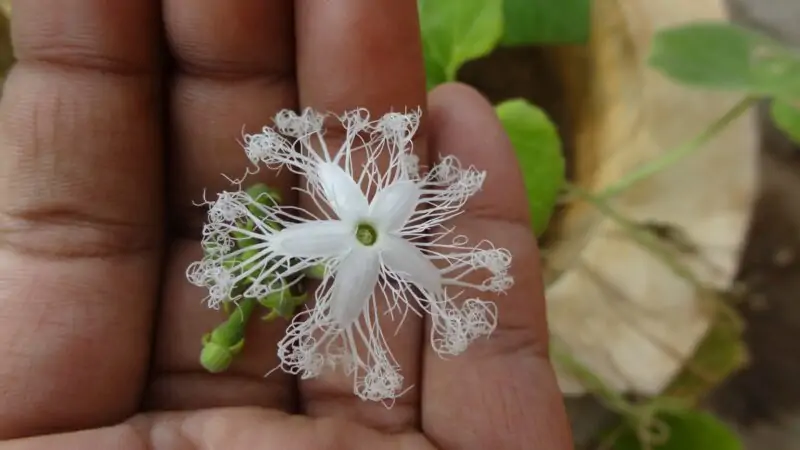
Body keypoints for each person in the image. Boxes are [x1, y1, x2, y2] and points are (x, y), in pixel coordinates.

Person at [0, 1, 573, 449]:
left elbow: (353, 226)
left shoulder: (355, 215)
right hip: (319, 237)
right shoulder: (336, 213)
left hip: (327, 238)